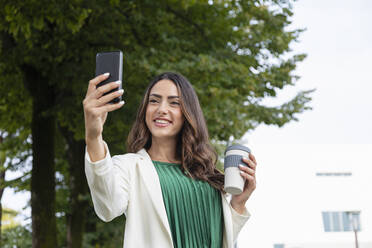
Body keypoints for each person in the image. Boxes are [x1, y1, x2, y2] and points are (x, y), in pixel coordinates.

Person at [83, 72, 257, 248]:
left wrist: (239, 202)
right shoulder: (129, 166)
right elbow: (107, 206)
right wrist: (93, 137)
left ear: (188, 113)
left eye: (174, 103)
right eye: (154, 101)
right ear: (145, 110)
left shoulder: (206, 174)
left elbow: (217, 239)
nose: (161, 109)